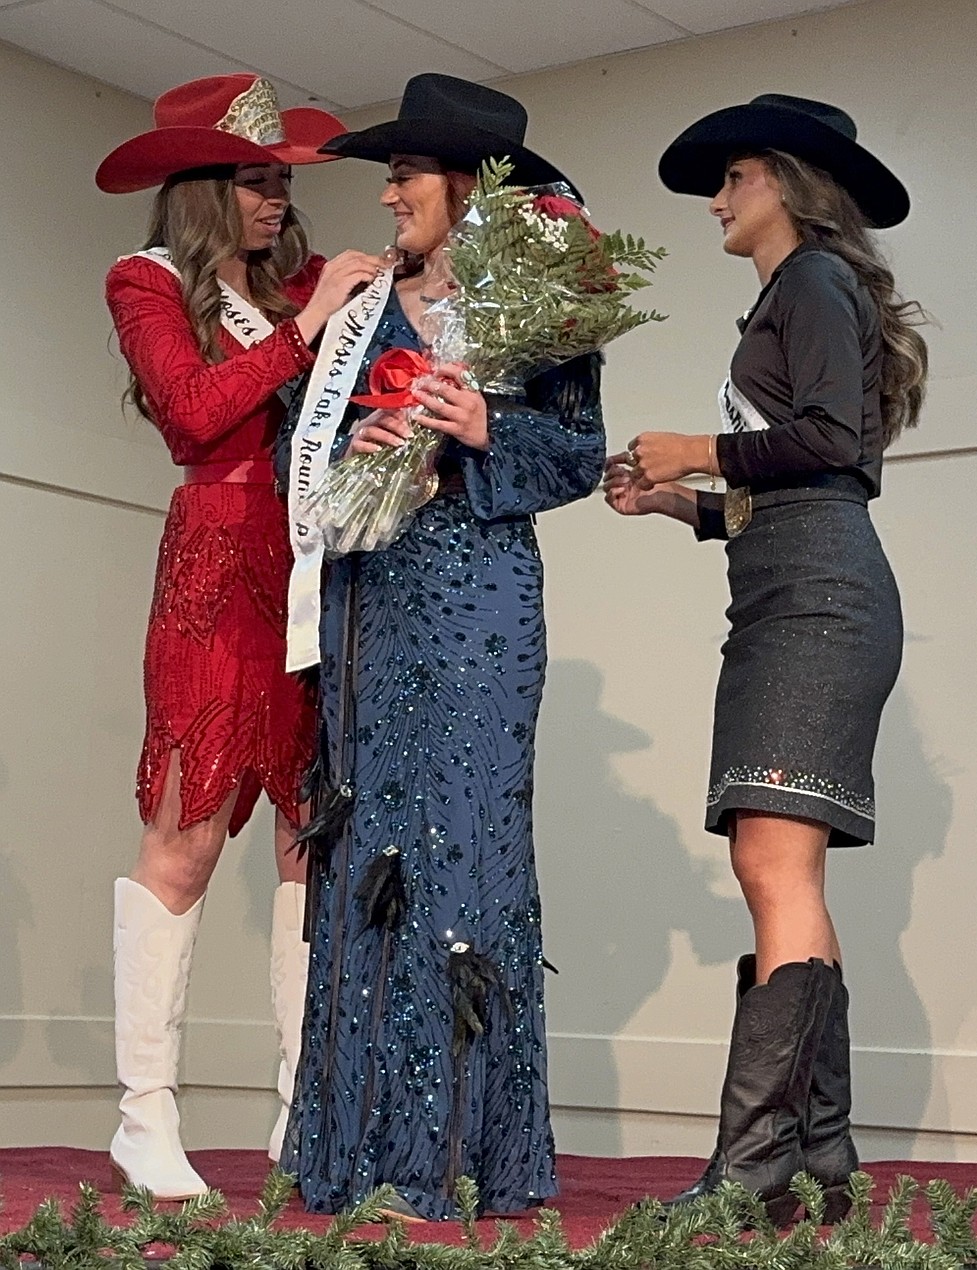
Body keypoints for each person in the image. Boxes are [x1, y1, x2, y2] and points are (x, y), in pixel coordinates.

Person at [274, 74, 605, 1220]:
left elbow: (577, 454)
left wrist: (482, 429)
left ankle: (464, 1149)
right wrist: (354, 439)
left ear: (466, 188)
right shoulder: (361, 309)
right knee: (371, 861)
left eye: (406, 173)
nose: (388, 193)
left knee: (467, 857)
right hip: (374, 604)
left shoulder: (537, 308)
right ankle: (354, 1152)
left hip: (482, 606)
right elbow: (289, 466)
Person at [603, 93, 927, 1225]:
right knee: (776, 869)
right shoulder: (787, 298)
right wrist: (676, 502)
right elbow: (782, 486)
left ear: (785, 184)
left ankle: (750, 1169)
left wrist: (698, 444)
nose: (716, 199)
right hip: (787, 585)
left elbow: (836, 447)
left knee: (772, 868)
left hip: (820, 601)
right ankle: (817, 1154)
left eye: (733, 178)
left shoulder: (817, 283)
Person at [97, 73, 386, 1199]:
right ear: (204, 188)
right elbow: (191, 413)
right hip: (215, 563)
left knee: (307, 836)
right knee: (189, 834)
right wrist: (307, 330)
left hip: (313, 571)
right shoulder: (146, 282)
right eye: (259, 180)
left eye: (281, 181)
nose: (278, 200)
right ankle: (142, 1115)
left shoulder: (304, 280)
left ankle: (300, 1104)